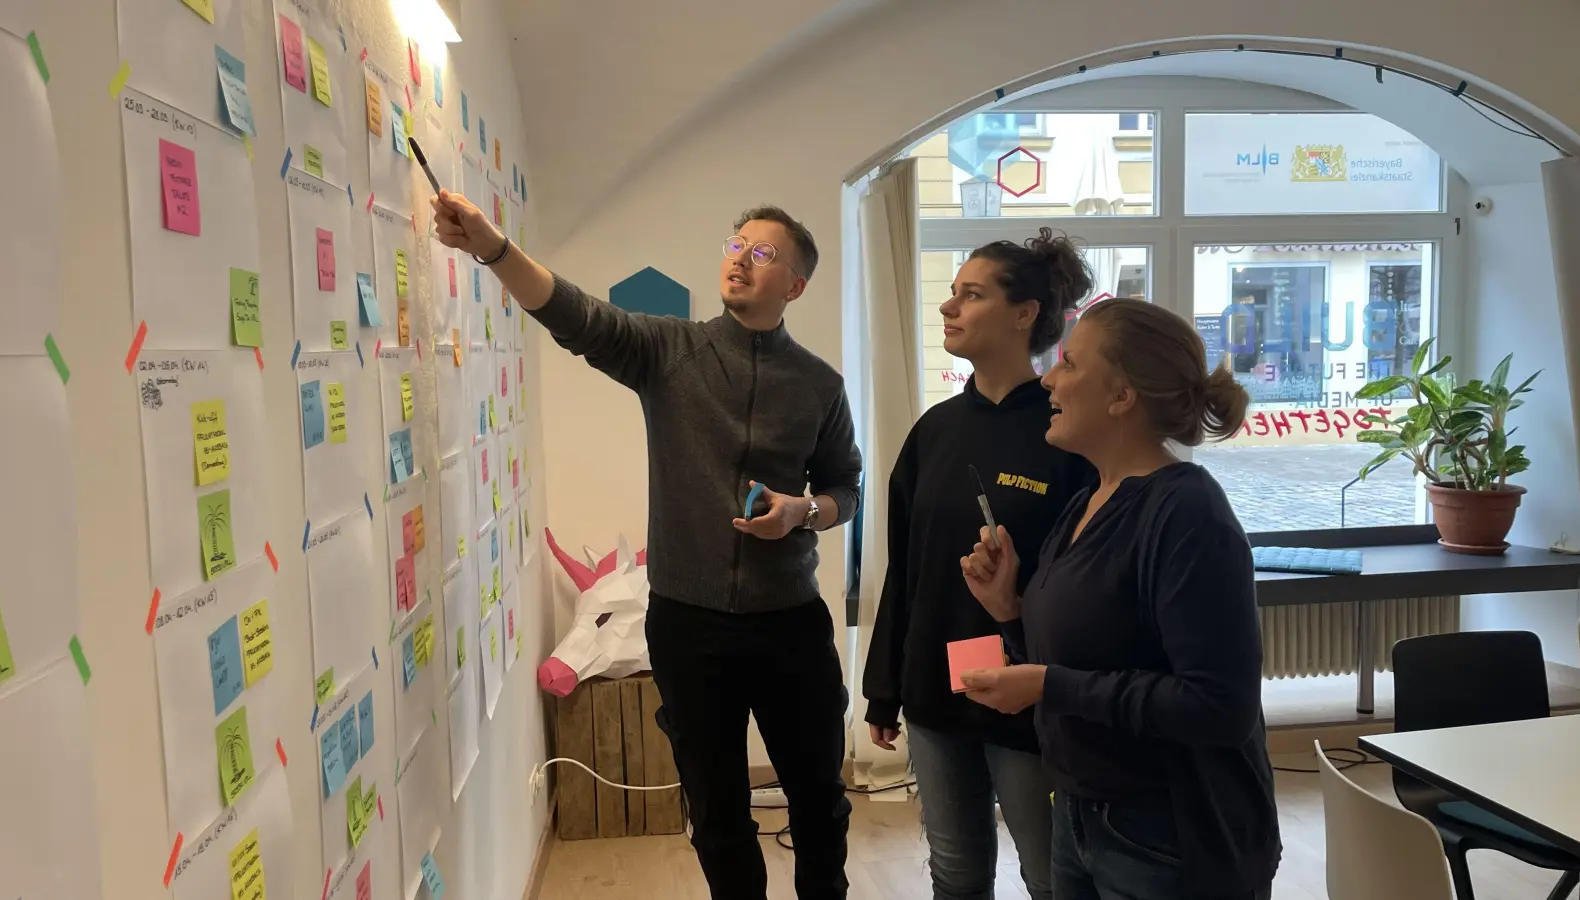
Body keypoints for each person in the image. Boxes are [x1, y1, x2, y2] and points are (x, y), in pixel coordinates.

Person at [430, 191, 862, 900]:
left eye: (763, 254)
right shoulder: (671, 352)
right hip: (689, 626)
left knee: (821, 804)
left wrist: (803, 512)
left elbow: (847, 485)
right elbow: (575, 314)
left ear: (795, 284)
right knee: (718, 816)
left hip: (790, 626)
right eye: (735, 245)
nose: (740, 260)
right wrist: (491, 246)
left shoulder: (820, 385)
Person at [957, 298, 1280, 900]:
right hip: (1081, 812)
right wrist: (1010, 610)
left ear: (1121, 396)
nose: (1049, 379)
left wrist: (1048, 685)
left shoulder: (1187, 513)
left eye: (1070, 364)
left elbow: (1218, 706)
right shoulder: (1086, 503)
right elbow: (1084, 656)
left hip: (1170, 834)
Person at [862, 229, 1097, 900]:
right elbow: (904, 572)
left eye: (971, 294)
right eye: (950, 294)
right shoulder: (933, 432)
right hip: (938, 693)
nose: (949, 308)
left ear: (1024, 314)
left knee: (1050, 873)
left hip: (1029, 693)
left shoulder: (1064, 436)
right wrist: (885, 687)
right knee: (956, 870)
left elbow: (1085, 583)